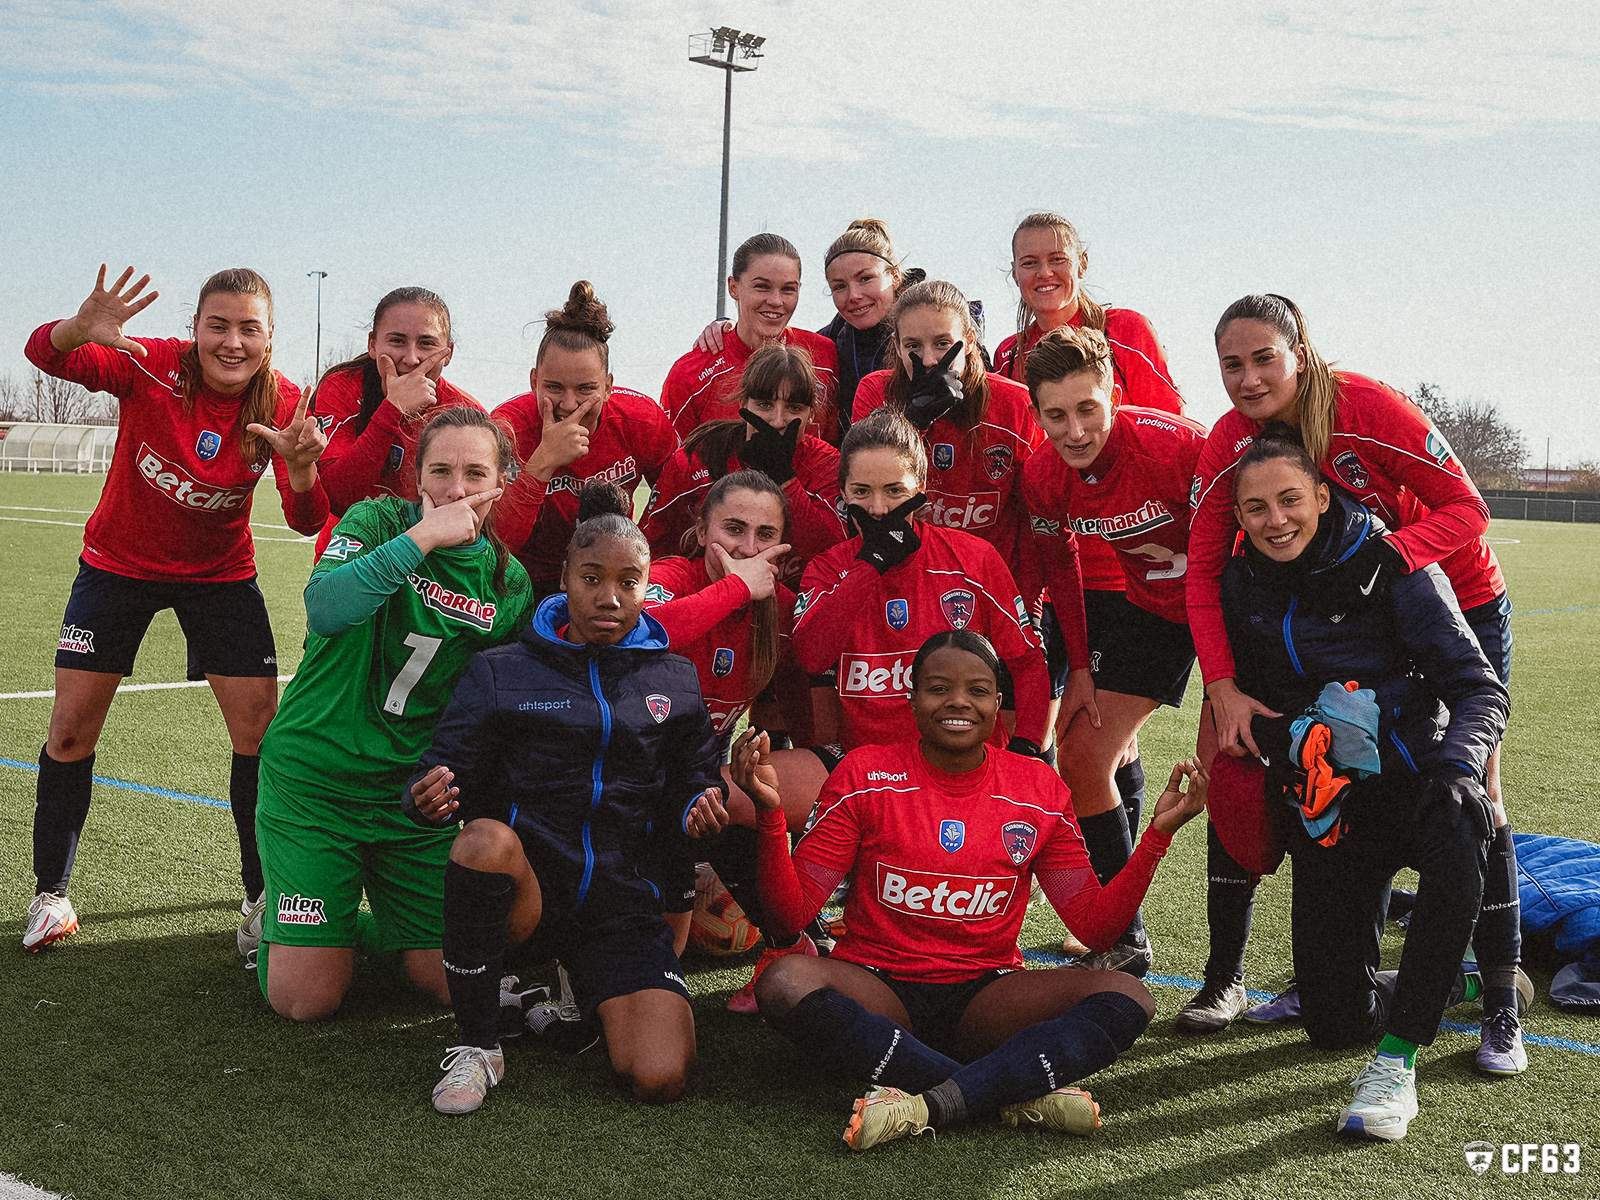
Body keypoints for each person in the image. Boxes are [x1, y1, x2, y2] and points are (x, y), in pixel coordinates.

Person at [697, 631, 1207, 1150]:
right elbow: (790, 918)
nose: (958, 701)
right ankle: (1003, 1090)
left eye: (977, 690)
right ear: (912, 699)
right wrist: (769, 813)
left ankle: (932, 1101)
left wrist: (1156, 838)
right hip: (878, 987)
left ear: (998, 704)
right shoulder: (863, 774)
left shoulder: (1037, 788)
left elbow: (1095, 928)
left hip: (986, 996)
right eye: (938, 688)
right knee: (784, 981)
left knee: (1129, 997)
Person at [1187, 294, 1527, 1073]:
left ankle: (1501, 1004)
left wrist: (1390, 556)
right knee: (1341, 769)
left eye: (1264, 358)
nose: (1248, 378)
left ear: (1301, 352)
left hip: (1447, 591)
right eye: (1232, 365)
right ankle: (1343, 976)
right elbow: (1204, 571)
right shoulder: (1229, 444)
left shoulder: (1365, 407)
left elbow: (1468, 508)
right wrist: (1222, 687)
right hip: (1342, 604)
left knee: (1479, 789)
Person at [22, 265, 330, 953]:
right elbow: (47, 355)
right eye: (217, 325)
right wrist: (77, 329)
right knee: (69, 731)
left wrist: (303, 469)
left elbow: (307, 519)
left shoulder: (285, 401)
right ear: (194, 329)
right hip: (117, 566)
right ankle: (51, 896)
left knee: (260, 734)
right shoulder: (154, 364)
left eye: (248, 329)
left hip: (220, 577)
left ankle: (260, 899)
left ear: (269, 337)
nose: (232, 342)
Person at [1218, 425, 1507, 1140]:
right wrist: (1299, 739)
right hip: (1335, 801)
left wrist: (1457, 767)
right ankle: (1456, 979)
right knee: (1332, 1023)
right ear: (1239, 517)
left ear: (1322, 495)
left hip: (1419, 780)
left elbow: (1479, 689)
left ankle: (1398, 1062)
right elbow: (1253, 713)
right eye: (1256, 508)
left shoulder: (1394, 563)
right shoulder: (1243, 584)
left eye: (1290, 499)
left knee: (1462, 820)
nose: (1275, 520)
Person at [404, 486, 725, 1114]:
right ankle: (480, 1045)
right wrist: (428, 798)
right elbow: (439, 770)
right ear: (564, 578)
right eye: (592, 578)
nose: (610, 597)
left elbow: (697, 779)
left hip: (621, 907)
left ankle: (578, 991)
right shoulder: (502, 670)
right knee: (483, 841)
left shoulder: (675, 678)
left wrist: (701, 804)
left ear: (647, 587)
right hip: (530, 897)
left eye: (628, 582)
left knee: (660, 1076)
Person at [253, 406, 533, 1018]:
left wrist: (446, 780)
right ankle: (287, 922)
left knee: (446, 981)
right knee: (306, 1000)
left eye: (475, 473)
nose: (456, 489)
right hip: (315, 784)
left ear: (501, 482)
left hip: (408, 798)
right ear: (417, 475)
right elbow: (326, 609)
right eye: (440, 471)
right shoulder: (377, 521)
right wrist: (422, 538)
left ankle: (348, 925)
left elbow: (483, 710)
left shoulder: (507, 582)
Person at [997, 211, 1188, 903]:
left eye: (1057, 258)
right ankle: (1116, 915)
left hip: (1160, 577)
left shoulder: (1125, 334)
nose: (1044, 272)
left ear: (1082, 262)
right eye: (1028, 262)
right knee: (1091, 747)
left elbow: (1174, 452)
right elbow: (1042, 504)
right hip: (1084, 580)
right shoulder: (1009, 358)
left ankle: (1120, 918)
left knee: (1096, 749)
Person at [1020, 326, 1210, 980]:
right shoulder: (1044, 474)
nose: (1075, 431)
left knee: (1242, 785)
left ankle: (1205, 966)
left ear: (1115, 397)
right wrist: (1078, 668)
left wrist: (1231, 667)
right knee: (1087, 748)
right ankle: (1122, 934)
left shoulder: (1176, 446)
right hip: (1150, 611)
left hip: (1224, 609)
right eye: (1056, 416)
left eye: (1088, 409)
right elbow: (1061, 566)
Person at [642, 469, 836, 1009]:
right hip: (622, 787)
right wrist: (735, 590)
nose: (748, 549)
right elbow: (645, 633)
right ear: (702, 529)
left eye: (765, 535)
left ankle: (794, 940)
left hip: (697, 789)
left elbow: (799, 690)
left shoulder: (781, 609)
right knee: (657, 956)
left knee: (732, 795)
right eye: (733, 529)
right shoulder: (671, 576)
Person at [791, 409, 1050, 757]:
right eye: (862, 491)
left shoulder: (973, 558)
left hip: (960, 764)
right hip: (869, 769)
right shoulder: (828, 568)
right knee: (750, 783)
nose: (878, 508)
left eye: (894, 490)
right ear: (843, 493)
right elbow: (812, 657)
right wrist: (870, 565)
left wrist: (1027, 747)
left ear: (921, 489)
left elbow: (1028, 661)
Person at [850, 280, 1047, 604]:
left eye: (942, 343)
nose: (928, 359)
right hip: (907, 590)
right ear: (897, 346)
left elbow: (1034, 525)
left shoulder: (1014, 404)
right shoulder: (876, 392)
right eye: (913, 346)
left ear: (968, 341)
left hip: (991, 591)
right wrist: (913, 423)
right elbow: (864, 503)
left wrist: (1032, 610)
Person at [492, 281, 679, 598]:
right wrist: (543, 462)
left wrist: (639, 553)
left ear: (608, 387)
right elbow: (497, 541)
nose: (568, 404)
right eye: (554, 387)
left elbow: (678, 503)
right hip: (524, 579)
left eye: (585, 389)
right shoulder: (507, 429)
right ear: (534, 382)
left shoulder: (641, 421)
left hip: (612, 575)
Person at [642, 344, 844, 590]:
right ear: (743, 404)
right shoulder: (699, 458)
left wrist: (785, 479)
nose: (777, 421)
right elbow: (650, 548)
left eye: (794, 408)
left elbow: (833, 559)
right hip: (707, 598)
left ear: (811, 414)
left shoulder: (826, 464)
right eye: (765, 404)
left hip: (791, 603)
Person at [692, 219, 912, 442]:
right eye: (840, 286)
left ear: (895, 276)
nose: (854, 295)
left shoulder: (925, 332)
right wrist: (729, 327)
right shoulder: (827, 345)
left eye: (865, 279)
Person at [307, 287, 484, 555]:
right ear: (372, 345)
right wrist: (392, 409)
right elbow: (340, 499)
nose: (411, 359)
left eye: (426, 343)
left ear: (448, 352)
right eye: (397, 341)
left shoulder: (464, 412)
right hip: (349, 554)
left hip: (426, 561)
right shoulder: (343, 387)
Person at [661, 233, 839, 443]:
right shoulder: (689, 376)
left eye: (788, 289)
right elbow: (673, 461)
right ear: (733, 287)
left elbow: (838, 451)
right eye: (762, 286)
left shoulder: (824, 354)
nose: (776, 301)